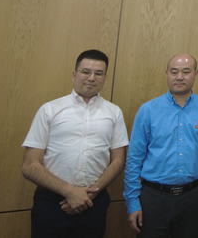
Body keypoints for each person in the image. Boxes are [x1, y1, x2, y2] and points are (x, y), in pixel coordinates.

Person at [22, 49, 129, 238]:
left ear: (105, 78)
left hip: (94, 203)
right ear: (74, 75)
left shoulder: (114, 112)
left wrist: (89, 195)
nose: (91, 78)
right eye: (86, 71)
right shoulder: (49, 110)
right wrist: (70, 192)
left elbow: (118, 160)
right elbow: (30, 165)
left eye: (98, 73)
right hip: (51, 204)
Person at [124, 54, 198, 238]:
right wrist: (132, 203)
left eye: (186, 72)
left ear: (196, 74)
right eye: (174, 72)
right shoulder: (148, 110)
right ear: (167, 73)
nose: (179, 77)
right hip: (154, 198)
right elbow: (134, 160)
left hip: (193, 198)